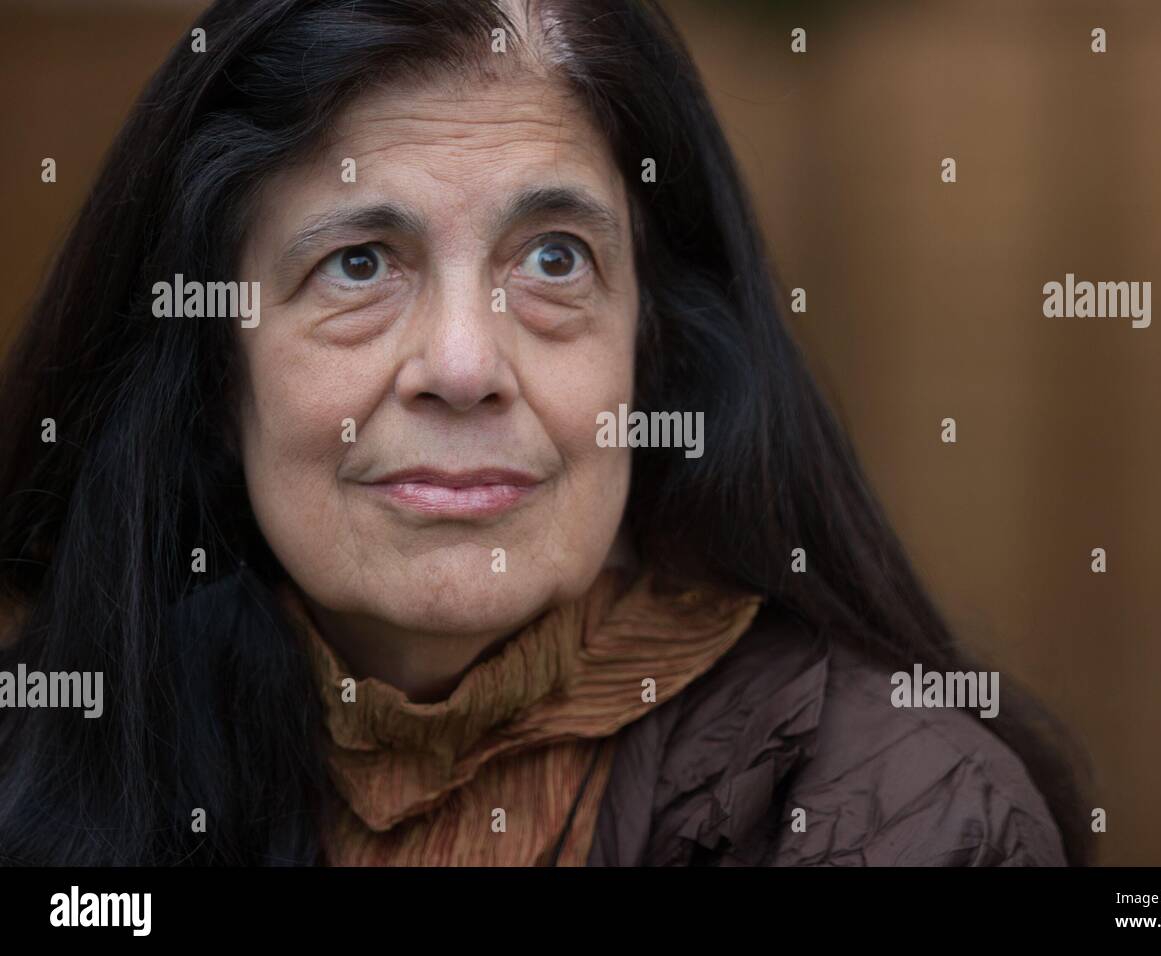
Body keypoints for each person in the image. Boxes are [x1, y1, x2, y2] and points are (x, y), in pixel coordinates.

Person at [0, 0, 1092, 866]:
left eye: (554, 259)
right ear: (211, 364)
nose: (466, 367)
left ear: (652, 345)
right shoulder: (44, 754)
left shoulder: (899, 815)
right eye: (359, 263)